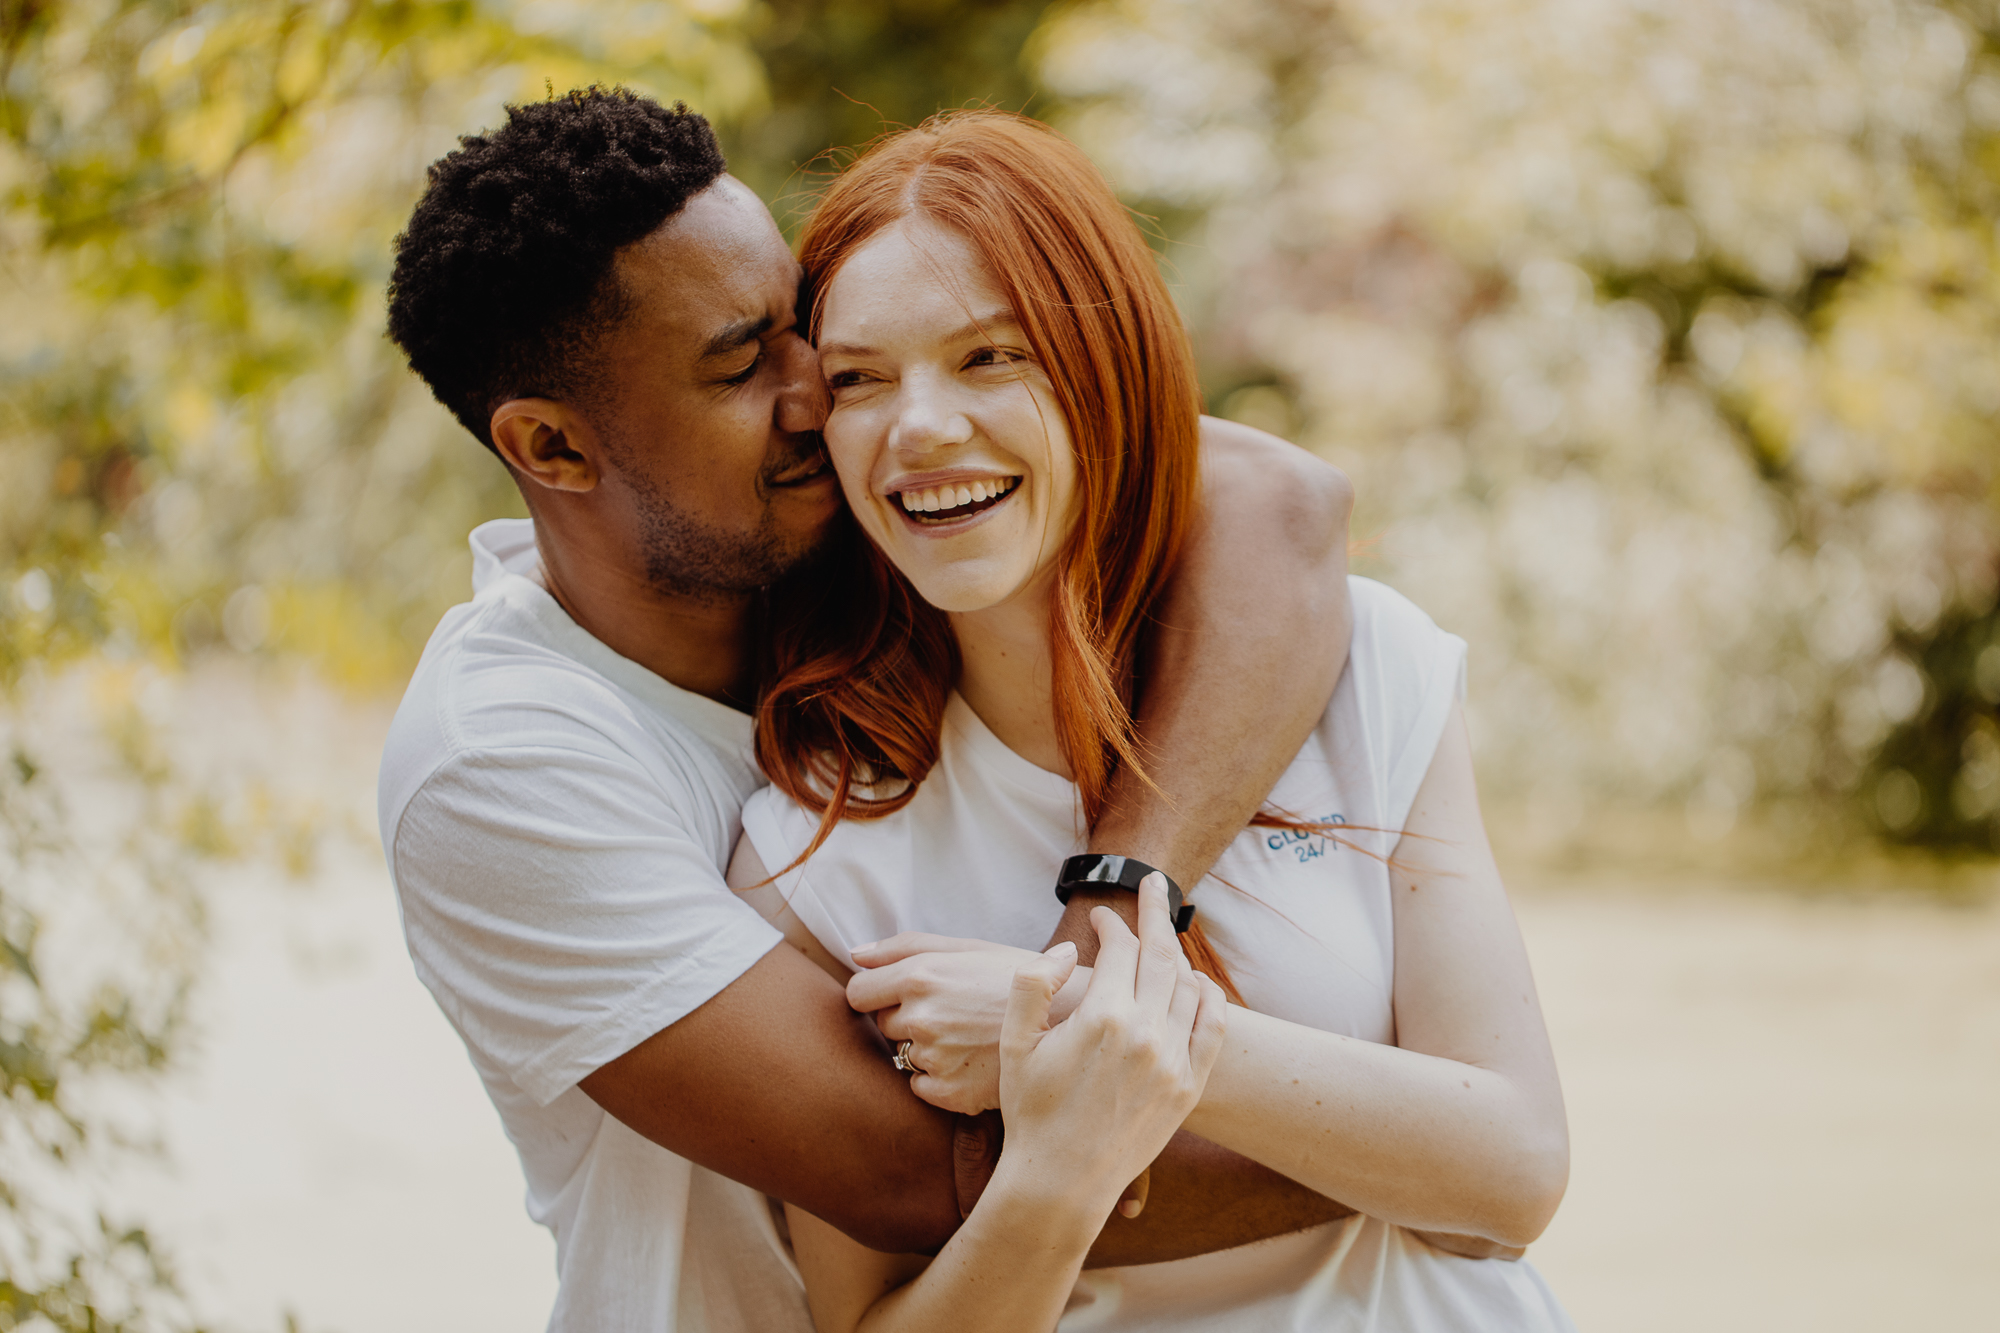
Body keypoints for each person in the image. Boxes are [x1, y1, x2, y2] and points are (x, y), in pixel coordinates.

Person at [378, 87, 1373, 1331]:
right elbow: (914, 1169)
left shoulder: (867, 529)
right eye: (742, 363)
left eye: (800, 327)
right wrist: (1422, 1162)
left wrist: (1116, 901)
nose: (824, 393)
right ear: (555, 450)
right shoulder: (501, 765)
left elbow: (1278, 503)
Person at [729, 110, 1576, 1330]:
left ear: (1104, 369)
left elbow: (1508, 1174)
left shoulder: (1366, 666)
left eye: (988, 357)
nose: (917, 427)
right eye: (858, 378)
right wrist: (1063, 1164)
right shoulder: (812, 848)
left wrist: (1073, 1021)